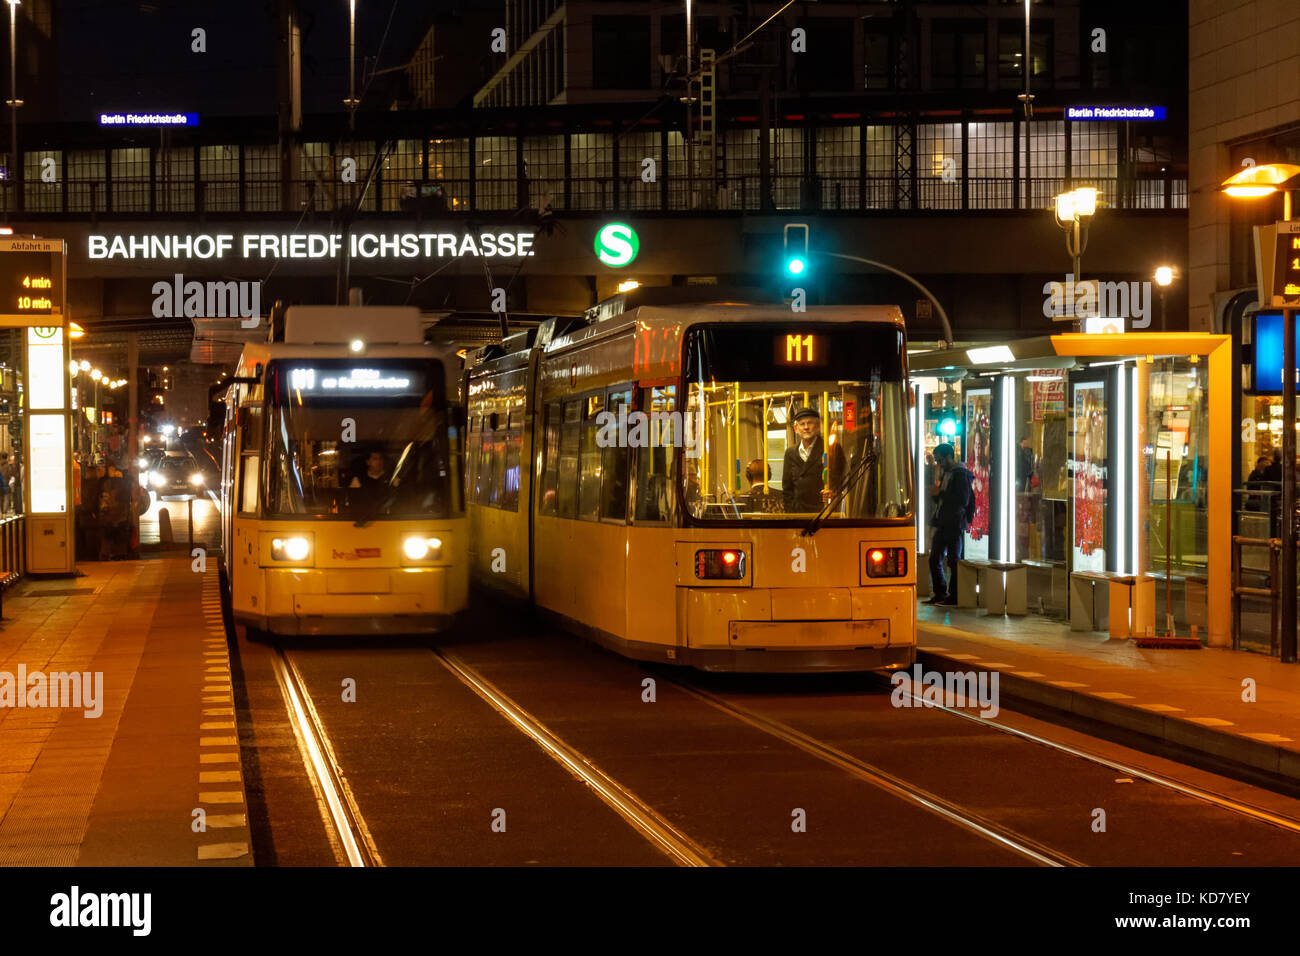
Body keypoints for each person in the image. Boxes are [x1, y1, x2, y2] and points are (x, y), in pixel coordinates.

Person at [925, 442, 973, 606]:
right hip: (943, 521)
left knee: (953, 560)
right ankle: (940, 592)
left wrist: (941, 494)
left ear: (949, 457)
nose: (939, 464)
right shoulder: (946, 474)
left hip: (954, 522)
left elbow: (963, 500)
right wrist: (936, 496)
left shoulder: (960, 474)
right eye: (937, 461)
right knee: (934, 558)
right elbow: (941, 500)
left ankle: (954, 596)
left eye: (940, 460)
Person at [781, 407, 845, 514]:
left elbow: (840, 478)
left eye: (810, 423)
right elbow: (787, 489)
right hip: (798, 513)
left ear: (818, 426)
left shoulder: (830, 448)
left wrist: (832, 493)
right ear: (796, 429)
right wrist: (790, 512)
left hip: (823, 511)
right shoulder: (790, 453)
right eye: (802, 424)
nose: (806, 427)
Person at [348, 449, 395, 515]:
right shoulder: (358, 480)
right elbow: (353, 503)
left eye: (380, 458)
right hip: (365, 519)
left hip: (387, 519)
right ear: (368, 462)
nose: (379, 462)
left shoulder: (391, 478)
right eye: (375, 459)